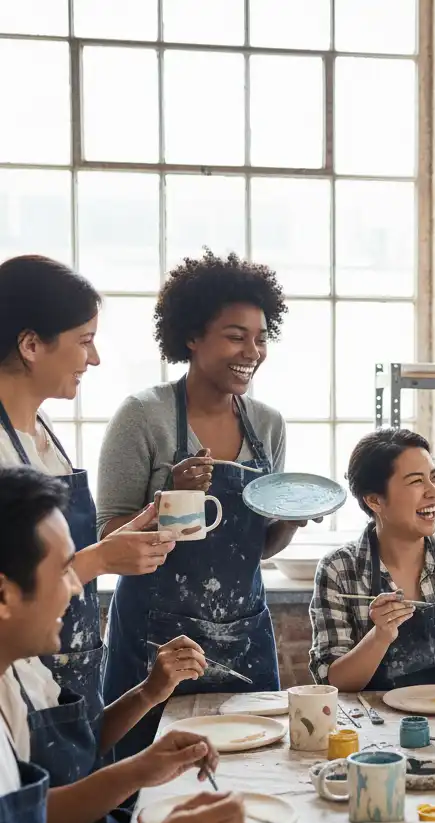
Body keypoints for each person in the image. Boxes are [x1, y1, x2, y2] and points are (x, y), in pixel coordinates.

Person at [0, 465, 246, 823]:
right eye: (65, 571)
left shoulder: (10, 681)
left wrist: (137, 769)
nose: (77, 588)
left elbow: (26, 819)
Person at [0, 255, 198, 823]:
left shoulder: (43, 434)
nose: (94, 358)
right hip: (22, 683)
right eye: (83, 340)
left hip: (68, 685)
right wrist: (98, 563)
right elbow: (27, 575)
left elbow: (59, 557)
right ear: (31, 345)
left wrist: (119, 537)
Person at [99, 250, 295, 759]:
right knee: (144, 782)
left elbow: (259, 548)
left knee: (250, 769)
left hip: (244, 633)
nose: (252, 350)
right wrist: (179, 499)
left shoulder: (268, 425)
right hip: (154, 642)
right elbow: (108, 536)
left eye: (260, 337)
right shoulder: (144, 416)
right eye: (235, 335)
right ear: (191, 336)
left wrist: (291, 519)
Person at [310, 428, 435, 690]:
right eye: (416, 481)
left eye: (434, 477)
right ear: (374, 500)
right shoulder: (339, 569)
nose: (433, 492)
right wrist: (380, 636)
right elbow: (334, 684)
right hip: (373, 724)